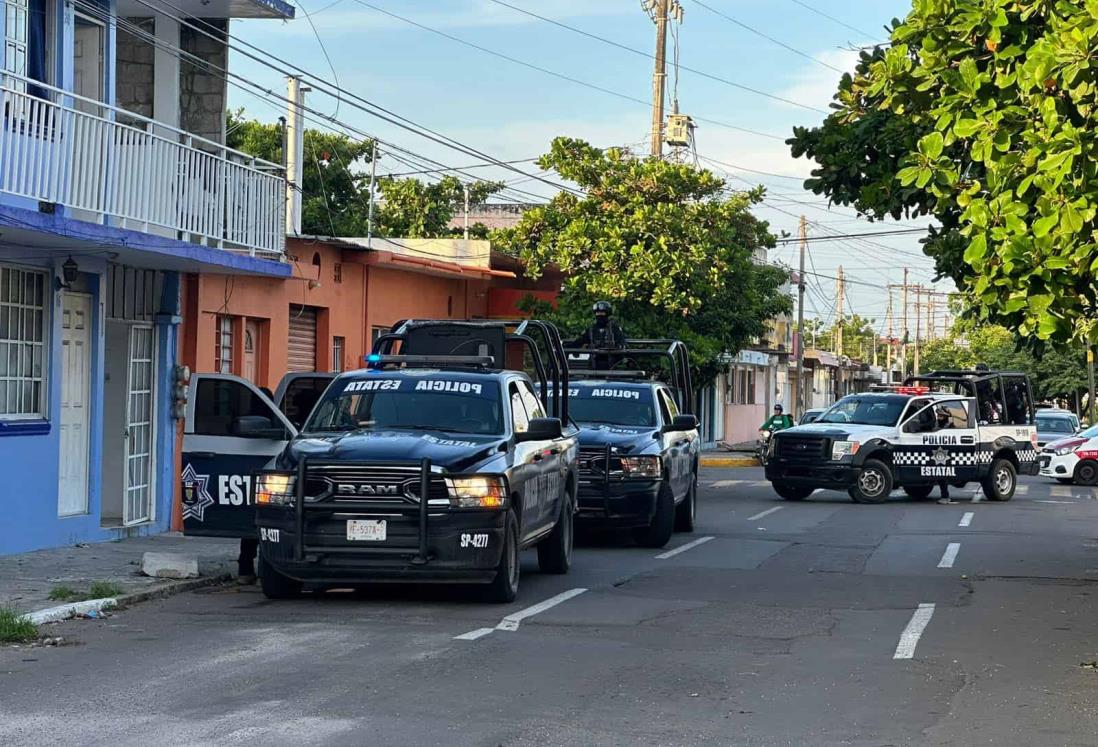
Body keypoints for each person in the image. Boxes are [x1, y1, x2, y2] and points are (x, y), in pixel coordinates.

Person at [934, 405, 954, 504]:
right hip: (937, 453)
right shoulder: (936, 425)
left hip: (946, 454)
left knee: (943, 474)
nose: (939, 418)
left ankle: (945, 496)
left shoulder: (950, 426)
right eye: (938, 416)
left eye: (941, 416)